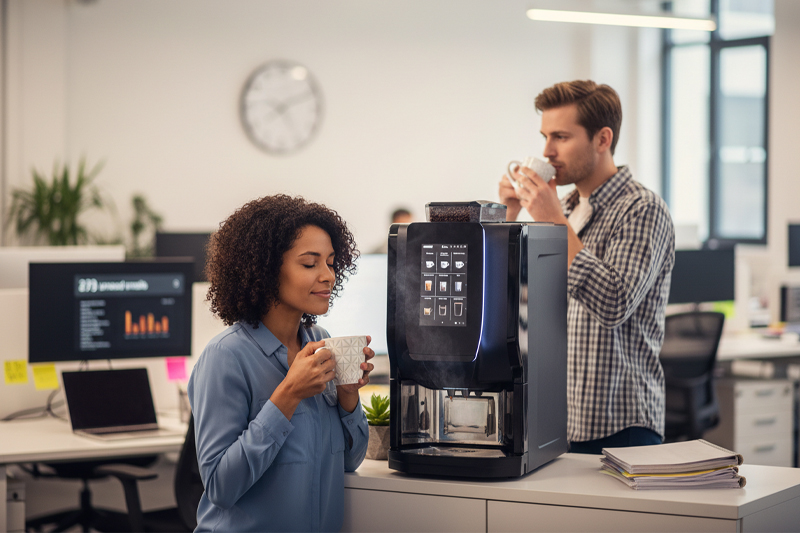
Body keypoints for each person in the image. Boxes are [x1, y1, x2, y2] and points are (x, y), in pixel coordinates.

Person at [498, 80, 675, 454]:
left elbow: (614, 302)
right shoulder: (562, 208)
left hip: (620, 426)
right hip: (558, 422)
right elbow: (517, 303)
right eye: (545, 136)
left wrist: (555, 223)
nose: (547, 151)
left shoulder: (642, 209)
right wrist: (509, 217)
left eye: (561, 136)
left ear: (602, 139)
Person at [188, 194, 373, 531]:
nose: (328, 275)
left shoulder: (321, 344)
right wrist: (287, 394)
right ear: (266, 270)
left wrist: (348, 397)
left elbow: (350, 460)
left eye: (331, 263)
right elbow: (220, 487)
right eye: (309, 263)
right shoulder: (226, 357)